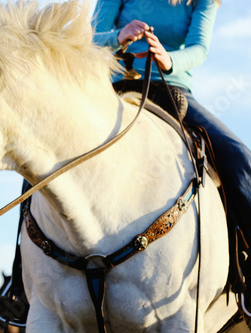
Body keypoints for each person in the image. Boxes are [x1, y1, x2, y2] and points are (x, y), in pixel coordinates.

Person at [92, 0, 251, 311]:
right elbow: (91, 39)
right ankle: (20, 284)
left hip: (173, 91)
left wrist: (168, 59)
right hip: (109, 91)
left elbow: (199, 48)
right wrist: (118, 36)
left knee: (240, 158)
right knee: (48, 156)